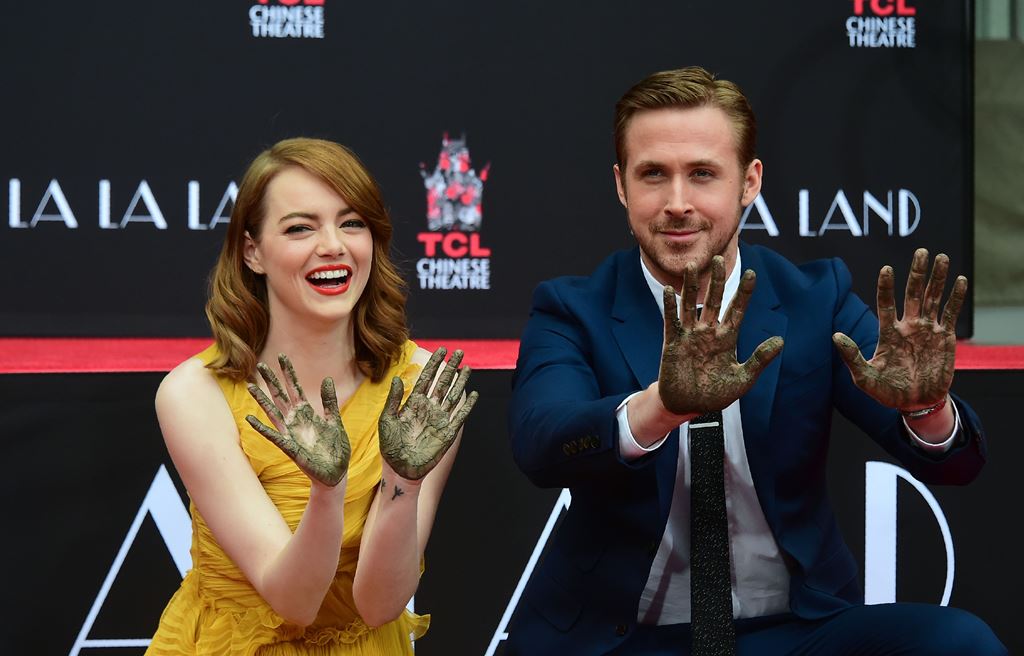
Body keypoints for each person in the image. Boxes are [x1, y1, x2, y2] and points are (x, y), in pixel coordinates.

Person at [506, 67, 1006, 654]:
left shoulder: (813, 299)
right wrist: (660, 408)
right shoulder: (572, 308)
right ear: (621, 186)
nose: (677, 203)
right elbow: (541, 443)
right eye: (653, 174)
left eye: (702, 174)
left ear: (749, 182)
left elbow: (956, 467)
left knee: (960, 643)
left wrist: (926, 408)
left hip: (793, 632)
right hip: (624, 639)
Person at [146, 137, 477, 655]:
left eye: (352, 223)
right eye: (300, 228)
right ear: (253, 252)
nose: (333, 245)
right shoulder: (195, 394)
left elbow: (380, 605)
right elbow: (293, 601)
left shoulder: (420, 387)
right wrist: (327, 490)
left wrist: (404, 481)